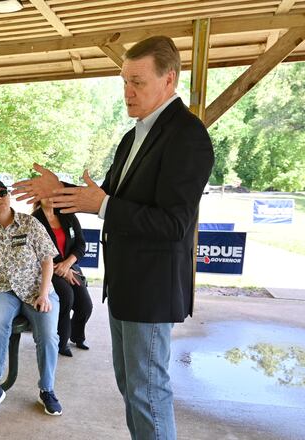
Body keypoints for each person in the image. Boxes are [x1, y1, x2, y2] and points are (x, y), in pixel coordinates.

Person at [13, 36, 214, 439]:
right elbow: (107, 198)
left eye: (137, 82)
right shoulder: (133, 136)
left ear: (169, 80)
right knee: (132, 387)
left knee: (148, 392)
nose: (127, 92)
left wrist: (102, 205)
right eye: (124, 81)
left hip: (151, 291)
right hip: (125, 285)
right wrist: (61, 190)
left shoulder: (186, 136)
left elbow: (174, 223)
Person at [0, 179, 62, 418]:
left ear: (8, 195)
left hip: (35, 289)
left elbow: (47, 259)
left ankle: (47, 389)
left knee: (49, 334)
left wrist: (44, 293)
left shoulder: (30, 223)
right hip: (1, 289)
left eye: (2, 193)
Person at [31, 197, 93, 357]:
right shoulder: (34, 220)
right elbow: (33, 253)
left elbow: (80, 245)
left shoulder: (68, 215)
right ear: (38, 196)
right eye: (46, 194)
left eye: (54, 193)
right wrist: (59, 268)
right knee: (67, 296)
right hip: (46, 269)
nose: (51, 198)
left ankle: (77, 335)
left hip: (69, 265)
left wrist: (67, 265)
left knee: (85, 305)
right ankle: (61, 342)